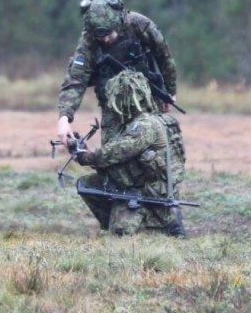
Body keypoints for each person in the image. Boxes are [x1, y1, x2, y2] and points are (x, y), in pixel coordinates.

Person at [72, 70, 187, 237]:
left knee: (121, 235)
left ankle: (160, 224)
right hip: (140, 184)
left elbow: (115, 152)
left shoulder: (144, 126)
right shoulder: (144, 121)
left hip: (147, 190)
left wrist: (84, 157)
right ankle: (119, 217)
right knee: (88, 184)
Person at [56, 0, 178, 147]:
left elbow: (164, 56)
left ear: (119, 23)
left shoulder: (138, 24)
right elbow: (76, 80)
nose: (106, 39)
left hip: (147, 100)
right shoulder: (88, 41)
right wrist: (64, 118)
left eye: (109, 33)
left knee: (152, 152)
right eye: (100, 36)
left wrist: (170, 92)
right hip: (111, 105)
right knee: (113, 156)